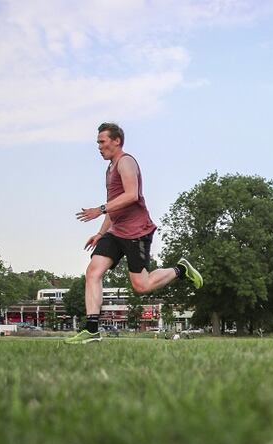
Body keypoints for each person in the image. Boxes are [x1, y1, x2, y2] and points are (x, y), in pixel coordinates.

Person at [65, 123, 203, 344]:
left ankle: (180, 269)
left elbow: (131, 195)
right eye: (98, 142)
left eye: (102, 141)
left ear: (116, 141)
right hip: (116, 231)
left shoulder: (126, 162)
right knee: (93, 271)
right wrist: (101, 232)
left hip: (136, 231)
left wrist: (99, 209)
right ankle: (91, 330)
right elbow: (114, 206)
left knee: (141, 286)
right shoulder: (109, 169)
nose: (99, 147)